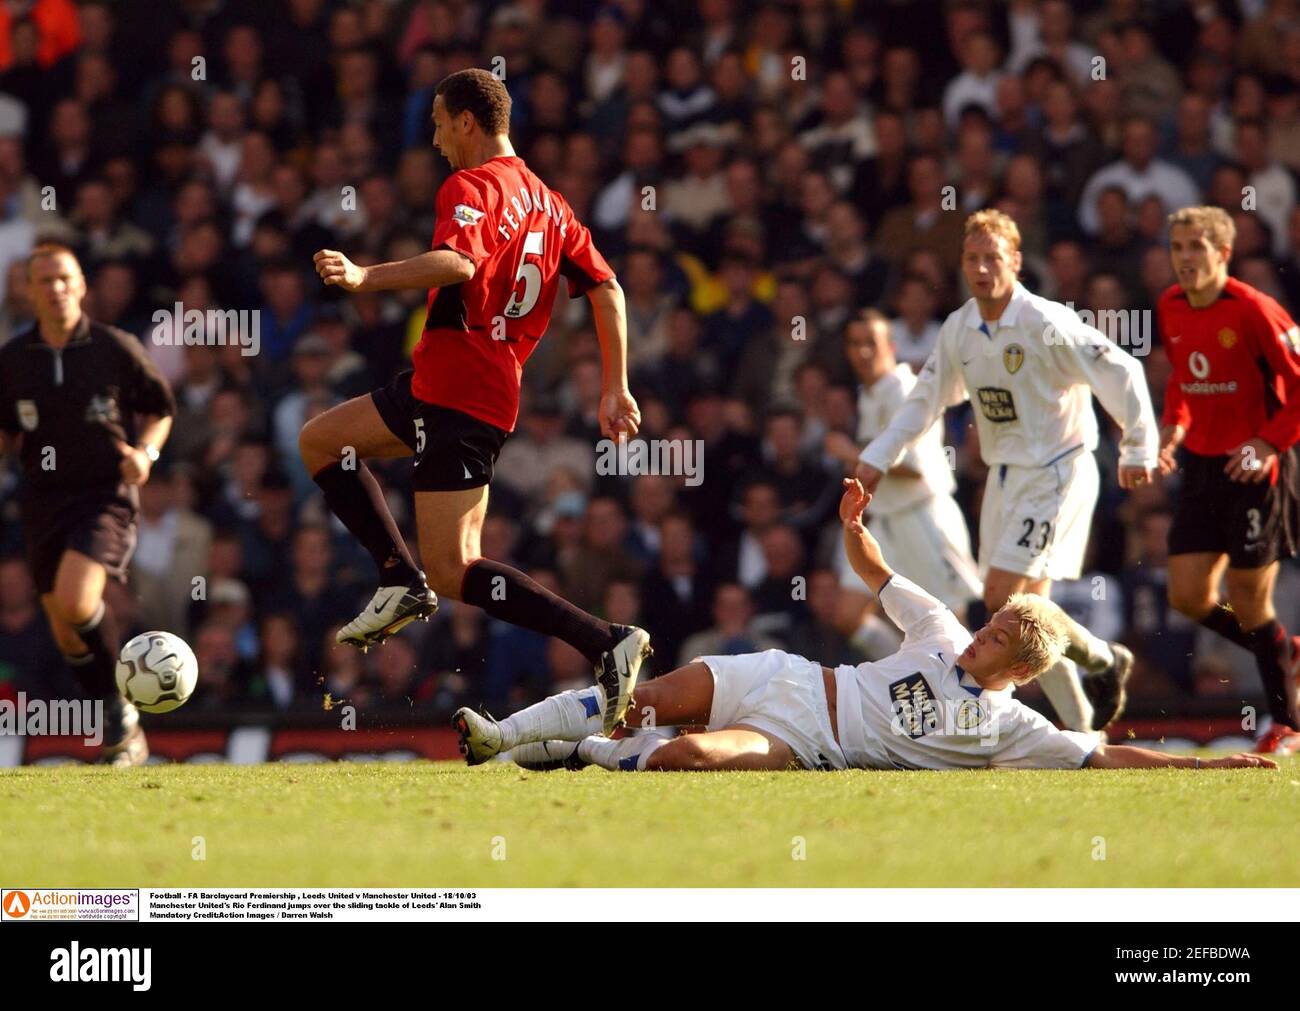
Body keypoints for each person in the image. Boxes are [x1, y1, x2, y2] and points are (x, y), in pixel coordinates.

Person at [453, 479, 1275, 775]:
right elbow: (880, 572)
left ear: (1022, 672)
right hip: (793, 679)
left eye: (999, 644)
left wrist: (1214, 762)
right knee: (641, 697)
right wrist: (853, 526)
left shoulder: (1009, 726)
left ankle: (576, 751)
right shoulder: (941, 630)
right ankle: (503, 734)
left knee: (682, 756)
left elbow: (1103, 755)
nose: (981, 639)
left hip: (811, 740)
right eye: (991, 628)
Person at [300, 69, 649, 735]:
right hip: (447, 381)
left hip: (464, 390)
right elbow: (607, 289)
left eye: (437, 123)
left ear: (467, 120)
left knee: (456, 571)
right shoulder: (552, 205)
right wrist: (616, 383)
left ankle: (606, 640)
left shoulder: (471, 184)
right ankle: (399, 577)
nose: (433, 139)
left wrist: (366, 275)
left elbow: (458, 264)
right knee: (320, 440)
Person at [857, 209, 1159, 734]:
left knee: (1003, 600)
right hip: (1003, 479)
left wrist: (1138, 446)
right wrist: (877, 456)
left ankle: (1099, 668)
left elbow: (1120, 367)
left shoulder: (1045, 321)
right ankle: (1087, 728)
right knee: (1027, 611)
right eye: (971, 258)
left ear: (1015, 261)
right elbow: (924, 399)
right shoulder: (960, 328)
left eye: (992, 258)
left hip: (1056, 471)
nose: (981, 268)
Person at [0, 243, 175, 765]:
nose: (55, 288)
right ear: (28, 290)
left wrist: (145, 454)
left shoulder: (113, 348)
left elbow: (160, 409)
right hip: (42, 500)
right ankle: (118, 720)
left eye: (64, 278)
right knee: (61, 623)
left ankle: (122, 713)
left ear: (81, 286)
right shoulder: (12, 361)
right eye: (44, 280)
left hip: (104, 496)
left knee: (77, 603)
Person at [1157, 205, 1300, 755]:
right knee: (1188, 597)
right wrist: (1174, 430)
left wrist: (1267, 443)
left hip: (1254, 467)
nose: (1185, 258)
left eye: (1196, 246)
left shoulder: (1255, 310)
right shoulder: (1170, 306)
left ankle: (1285, 723)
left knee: (1248, 601)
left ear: (1223, 252)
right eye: (1177, 247)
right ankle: (1282, 650)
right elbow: (1182, 379)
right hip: (1201, 465)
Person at [823, 309, 981, 663]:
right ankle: (913, 675)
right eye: (854, 344)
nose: (862, 352)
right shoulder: (870, 393)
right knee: (848, 616)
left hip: (923, 517)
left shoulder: (905, 390)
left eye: (871, 343)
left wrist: (848, 452)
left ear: (891, 346)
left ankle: (972, 704)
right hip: (884, 521)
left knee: (953, 625)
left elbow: (914, 471)